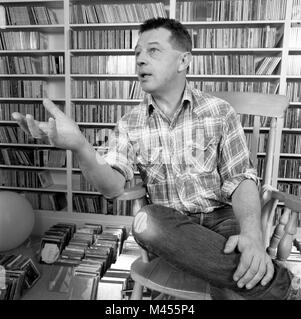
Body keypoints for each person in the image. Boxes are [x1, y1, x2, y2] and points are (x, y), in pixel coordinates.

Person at [12, 17, 300, 300]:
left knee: (233, 272)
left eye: (153, 50)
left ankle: (267, 284)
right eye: (137, 52)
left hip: (222, 217)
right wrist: (80, 147)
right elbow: (112, 187)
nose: (139, 59)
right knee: (145, 220)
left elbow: (241, 179)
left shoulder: (220, 112)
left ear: (183, 61)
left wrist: (252, 234)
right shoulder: (130, 123)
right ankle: (282, 286)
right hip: (168, 225)